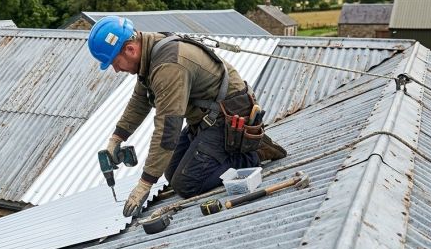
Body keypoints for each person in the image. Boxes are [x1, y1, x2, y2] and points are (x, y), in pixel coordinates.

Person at [88, 16, 287, 217]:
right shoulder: (149, 52)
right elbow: (140, 100)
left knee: (187, 184)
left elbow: (168, 130)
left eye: (114, 62)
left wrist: (144, 184)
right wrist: (117, 138)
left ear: (130, 49)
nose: (116, 69)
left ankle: (252, 153)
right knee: (171, 172)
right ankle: (229, 150)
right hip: (205, 117)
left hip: (228, 117)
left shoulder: (168, 65)